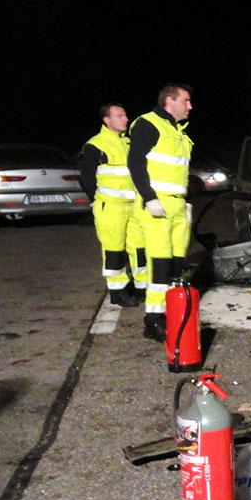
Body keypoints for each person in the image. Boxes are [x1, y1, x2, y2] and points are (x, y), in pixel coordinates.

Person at [128, 83, 194, 341]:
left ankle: (172, 312)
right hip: (157, 205)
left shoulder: (177, 131)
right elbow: (135, 163)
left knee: (177, 263)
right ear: (170, 102)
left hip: (176, 205)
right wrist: (149, 198)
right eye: (186, 101)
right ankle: (154, 319)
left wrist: (184, 204)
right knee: (160, 263)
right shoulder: (149, 124)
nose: (190, 106)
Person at [80, 102, 146, 307]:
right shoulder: (96, 145)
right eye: (119, 116)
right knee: (114, 249)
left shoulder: (128, 143)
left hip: (133, 206)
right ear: (106, 120)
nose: (126, 119)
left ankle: (142, 287)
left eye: (125, 115)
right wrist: (96, 201)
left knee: (139, 247)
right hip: (111, 207)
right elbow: (86, 179)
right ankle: (117, 291)